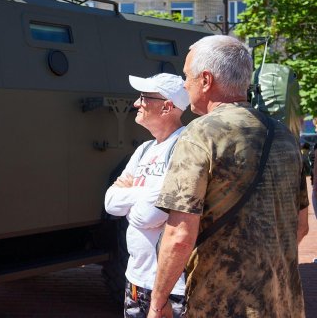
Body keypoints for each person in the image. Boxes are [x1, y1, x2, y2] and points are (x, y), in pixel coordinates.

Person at [148, 35, 309, 318]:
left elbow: (180, 235)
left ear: (206, 80)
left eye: (187, 76)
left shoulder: (200, 134)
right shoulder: (284, 135)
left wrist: (158, 302)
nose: (185, 84)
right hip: (284, 302)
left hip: (221, 304)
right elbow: (301, 226)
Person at [105, 73, 190, 318]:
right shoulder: (144, 149)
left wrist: (129, 193)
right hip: (136, 279)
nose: (136, 103)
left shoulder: (184, 147)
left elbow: (147, 215)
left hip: (172, 287)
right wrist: (144, 194)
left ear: (167, 106)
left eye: (144, 97)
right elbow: (110, 203)